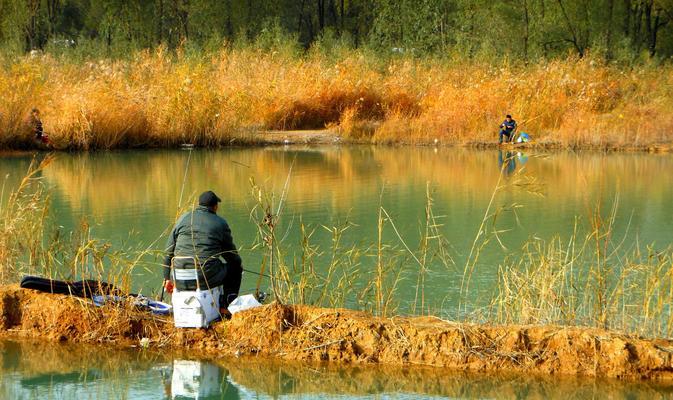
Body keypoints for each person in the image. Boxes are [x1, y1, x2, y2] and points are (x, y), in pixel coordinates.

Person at [163, 190, 243, 316]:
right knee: (236, 267)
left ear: (198, 205)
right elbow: (232, 256)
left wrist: (167, 278)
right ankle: (226, 306)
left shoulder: (183, 218)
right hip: (205, 279)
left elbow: (168, 253)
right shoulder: (220, 223)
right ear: (215, 207)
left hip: (179, 278)